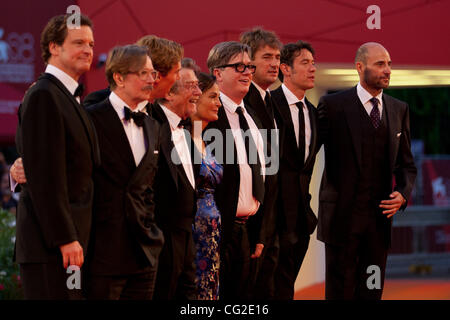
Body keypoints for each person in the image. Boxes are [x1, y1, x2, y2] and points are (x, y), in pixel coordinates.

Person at [317, 42, 417, 299]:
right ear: (360, 67)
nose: (388, 70)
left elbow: (406, 164)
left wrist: (403, 193)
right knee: (340, 294)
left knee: (371, 292)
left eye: (389, 64)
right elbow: (306, 155)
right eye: (380, 64)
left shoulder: (398, 109)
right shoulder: (333, 105)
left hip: (378, 226)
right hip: (341, 223)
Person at [14, 14, 99, 299]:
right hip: (52, 246)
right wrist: (66, 238)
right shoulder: (44, 96)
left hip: (68, 244)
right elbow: (46, 177)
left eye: (90, 43)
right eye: (78, 43)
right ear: (54, 47)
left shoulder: (66, 96)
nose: (88, 50)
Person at [84, 45, 163, 299]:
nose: (152, 79)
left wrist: (153, 236)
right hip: (103, 253)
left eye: (153, 73)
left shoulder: (153, 125)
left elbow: (148, 187)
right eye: (144, 73)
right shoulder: (90, 119)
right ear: (119, 77)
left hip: (144, 252)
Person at [206, 41, 266, 299]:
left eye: (249, 66)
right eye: (238, 66)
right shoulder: (205, 115)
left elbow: (265, 175)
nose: (247, 72)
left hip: (249, 232)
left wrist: (261, 231)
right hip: (217, 232)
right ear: (218, 73)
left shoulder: (253, 116)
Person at [270, 40, 320, 299]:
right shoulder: (268, 105)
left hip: (302, 220)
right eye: (305, 63)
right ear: (285, 69)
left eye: (313, 63)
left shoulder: (314, 113)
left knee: (287, 289)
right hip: (273, 220)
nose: (313, 68)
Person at [240, 27, 283, 299]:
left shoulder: (271, 100)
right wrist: (259, 231)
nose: (275, 63)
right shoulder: (242, 101)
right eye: (267, 56)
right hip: (251, 226)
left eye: (278, 57)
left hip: (274, 224)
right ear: (248, 62)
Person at [151, 67, 202, 299]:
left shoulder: (185, 129)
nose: (198, 92)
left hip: (187, 238)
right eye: (192, 86)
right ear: (169, 93)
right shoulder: (152, 125)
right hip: (162, 239)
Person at [190, 72, 223, 300]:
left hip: (212, 236)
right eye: (212, 96)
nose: (218, 103)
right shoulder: (179, 139)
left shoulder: (207, 139)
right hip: (191, 235)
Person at [83, 35, 183, 107]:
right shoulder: (95, 104)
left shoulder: (159, 118)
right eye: (176, 72)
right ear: (157, 76)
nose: (179, 78)